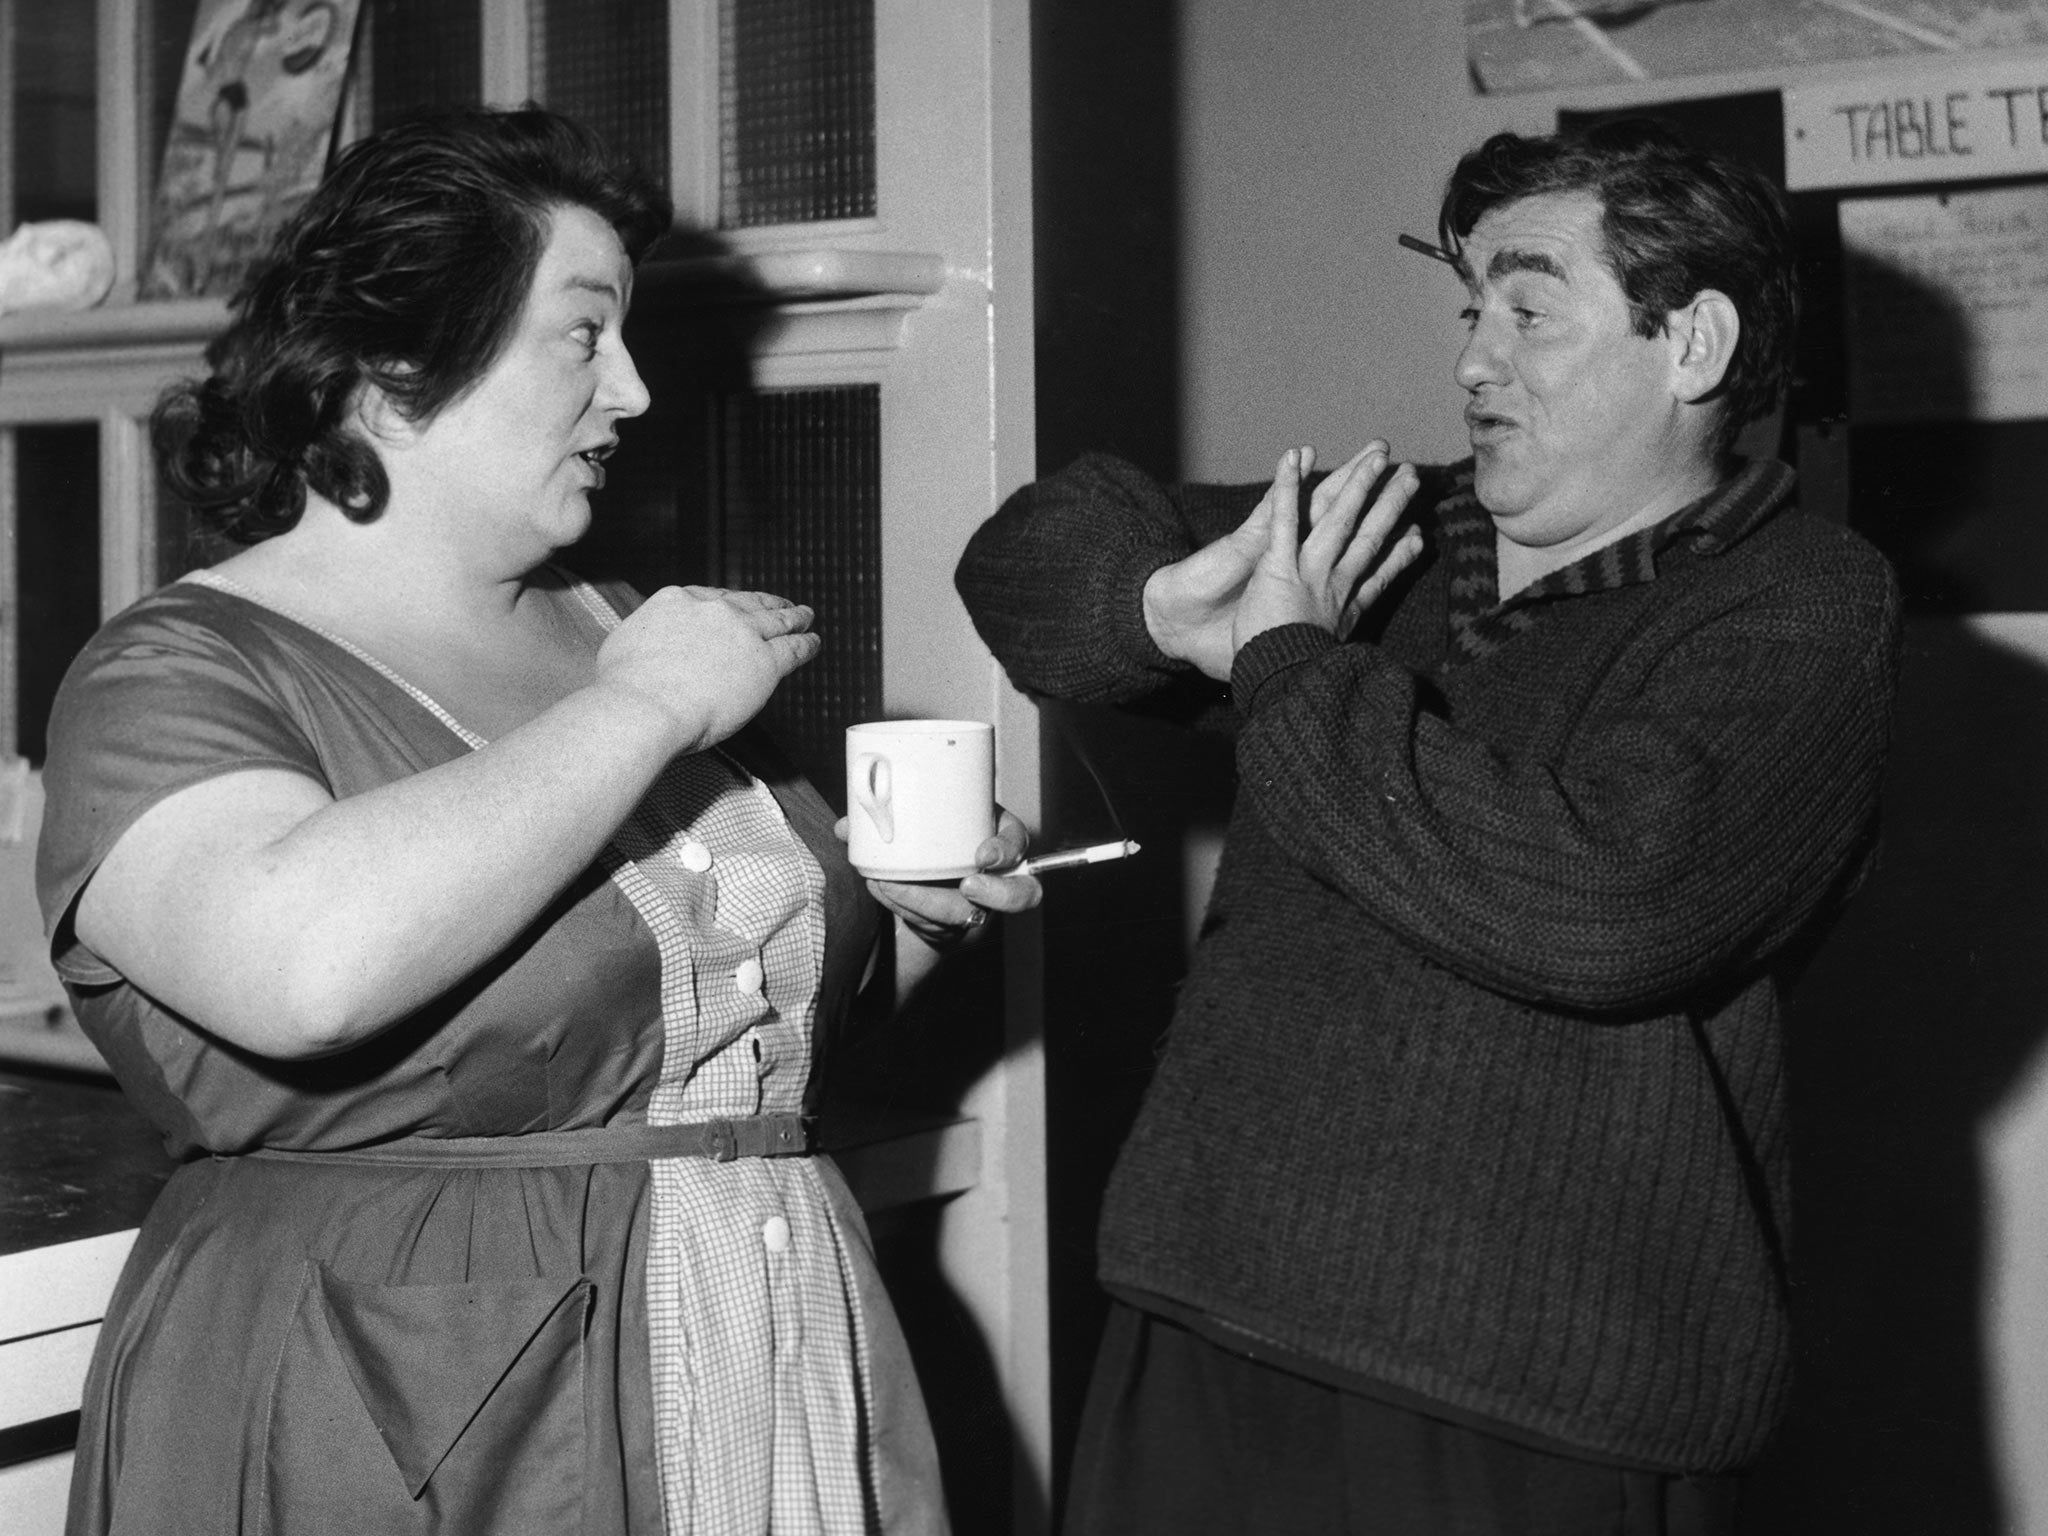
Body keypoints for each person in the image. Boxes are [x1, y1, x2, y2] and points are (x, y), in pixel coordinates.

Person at [38, 105, 1036, 1536]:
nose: (632, 391)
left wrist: (922, 910)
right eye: (582, 333)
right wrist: (639, 715)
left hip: (759, 1349)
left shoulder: (620, 628)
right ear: (396, 362)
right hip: (414, 1407)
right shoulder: (180, 670)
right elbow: (299, 971)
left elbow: (713, 1038)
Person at [955, 119, 1901, 1534]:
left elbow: (1603, 909)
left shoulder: (1803, 604)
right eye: (1470, 310)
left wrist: (1287, 665)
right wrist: (1162, 608)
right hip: (1202, 1311)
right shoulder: (1388, 540)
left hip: (1532, 1403)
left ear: (1692, 345)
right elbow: (1030, 551)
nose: (1472, 359)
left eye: (1527, 307)